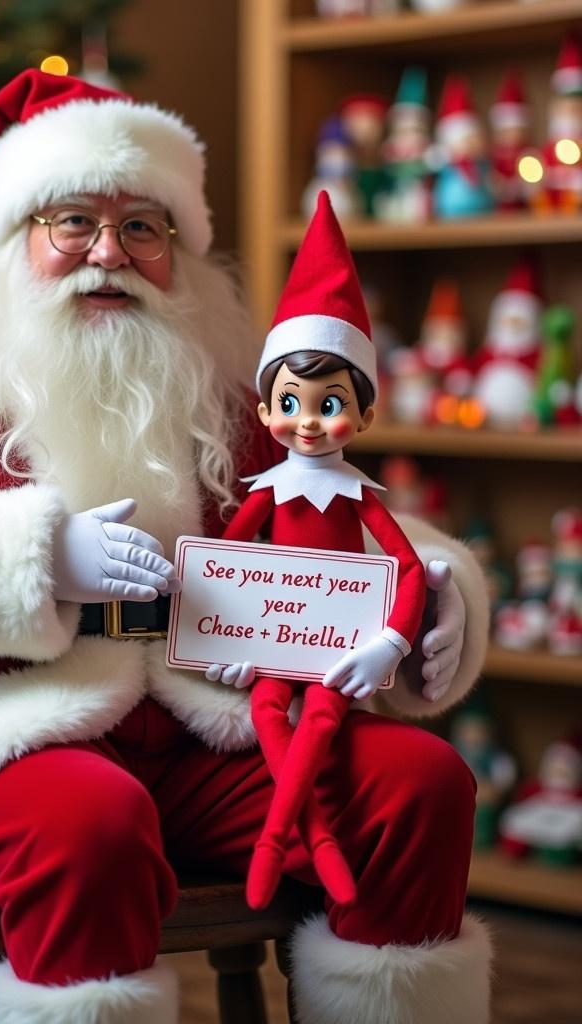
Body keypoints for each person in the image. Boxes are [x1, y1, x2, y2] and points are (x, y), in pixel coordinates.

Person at [0, 70, 491, 1024]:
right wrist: (31, 563)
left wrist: (427, 584)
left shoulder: (224, 393)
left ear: (181, 251)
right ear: (11, 240)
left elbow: (323, 528)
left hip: (207, 732)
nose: (110, 252)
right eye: (73, 221)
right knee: (92, 822)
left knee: (420, 788)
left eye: (144, 226)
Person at [214, 192, 426, 913]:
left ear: (364, 413)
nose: (309, 421)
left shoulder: (360, 495)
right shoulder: (266, 491)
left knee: (326, 716)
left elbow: (409, 568)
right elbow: (226, 561)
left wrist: (391, 643)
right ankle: (316, 837)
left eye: (329, 404)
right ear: (267, 409)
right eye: (293, 402)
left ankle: (280, 839)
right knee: (270, 712)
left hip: (339, 644)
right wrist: (222, 630)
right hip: (277, 644)